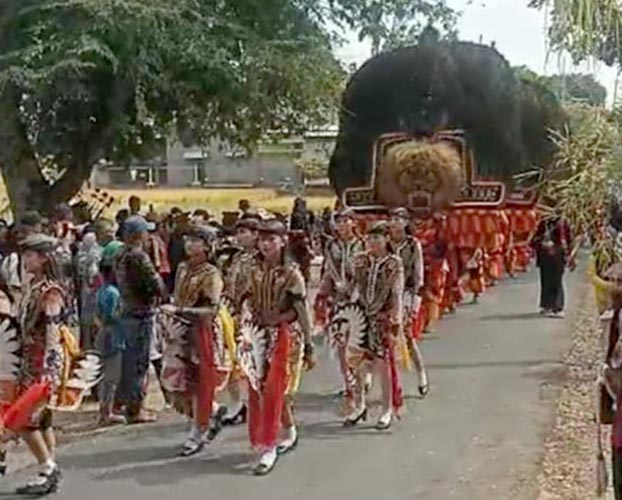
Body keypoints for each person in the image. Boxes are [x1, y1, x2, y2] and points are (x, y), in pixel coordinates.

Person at [237, 219, 316, 475]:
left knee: (274, 388)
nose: (266, 244)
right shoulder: (252, 268)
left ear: (283, 241)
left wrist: (309, 342)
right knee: (257, 387)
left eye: (271, 239)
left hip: (285, 335)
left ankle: (268, 446)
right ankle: (289, 430)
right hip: (258, 333)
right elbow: (245, 298)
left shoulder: (292, 272)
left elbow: (301, 309)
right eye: (262, 239)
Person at [160, 226, 234, 456]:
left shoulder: (211, 274)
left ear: (207, 246)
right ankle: (211, 412)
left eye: (196, 240)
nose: (190, 244)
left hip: (200, 333)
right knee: (175, 383)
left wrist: (180, 310)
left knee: (198, 382)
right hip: (177, 331)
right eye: (188, 239)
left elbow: (211, 309)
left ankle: (197, 431)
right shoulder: (182, 268)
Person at [13, 234, 66, 495]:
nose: (25, 260)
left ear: (44, 259)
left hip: (41, 363)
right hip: (28, 360)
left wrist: (48, 370)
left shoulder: (50, 291)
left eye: (30, 255)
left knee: (24, 418)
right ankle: (49, 467)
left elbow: (54, 332)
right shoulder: (32, 286)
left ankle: (47, 467)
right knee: (42, 419)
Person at [344, 222, 404, 430]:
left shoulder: (393, 263)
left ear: (386, 239)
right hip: (361, 316)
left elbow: (396, 292)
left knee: (382, 363)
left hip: (382, 317)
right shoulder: (359, 260)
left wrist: (396, 318)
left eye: (377, 238)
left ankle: (386, 409)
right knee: (358, 362)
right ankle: (359, 404)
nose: (372, 243)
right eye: (369, 238)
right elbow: (351, 285)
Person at [115, 215, 167, 423]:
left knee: (129, 361)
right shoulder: (139, 256)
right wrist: (163, 294)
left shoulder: (120, 254)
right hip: (141, 311)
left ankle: (130, 405)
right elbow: (155, 282)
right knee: (139, 363)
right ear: (139, 234)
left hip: (127, 308)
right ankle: (135, 410)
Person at [315, 209, 364, 413]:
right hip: (338, 299)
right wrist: (329, 289)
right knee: (341, 344)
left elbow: (364, 270)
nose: (343, 225)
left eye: (346, 221)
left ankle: (359, 382)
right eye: (339, 221)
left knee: (359, 345)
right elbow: (330, 269)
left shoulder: (361, 244)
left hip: (360, 300)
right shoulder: (331, 245)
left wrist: (354, 287)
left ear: (353, 223)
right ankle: (349, 385)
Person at [221, 216, 260, 426]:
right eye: (239, 232)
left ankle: (253, 402)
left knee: (252, 362)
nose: (240, 236)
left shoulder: (261, 259)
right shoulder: (236, 258)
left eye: (245, 232)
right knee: (233, 361)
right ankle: (237, 403)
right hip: (233, 314)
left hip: (253, 316)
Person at [387, 208, 429, 397]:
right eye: (392, 219)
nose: (394, 222)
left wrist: (414, 302)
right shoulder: (385, 243)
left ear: (405, 222)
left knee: (407, 338)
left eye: (398, 219)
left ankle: (421, 375)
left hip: (407, 294)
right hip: (386, 296)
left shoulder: (413, 245)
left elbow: (419, 275)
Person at [94, 241, 126, 425]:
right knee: (111, 377)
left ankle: (104, 410)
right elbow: (113, 314)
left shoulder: (101, 291)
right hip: (113, 335)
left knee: (104, 376)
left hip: (103, 334)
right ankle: (106, 412)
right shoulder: (114, 293)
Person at [532, 214, 573, 317]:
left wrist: (570, 255)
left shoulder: (563, 223)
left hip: (558, 257)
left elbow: (568, 239)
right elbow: (535, 238)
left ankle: (557, 307)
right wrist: (541, 244)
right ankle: (547, 306)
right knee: (546, 281)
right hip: (545, 257)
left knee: (557, 281)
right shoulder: (544, 223)